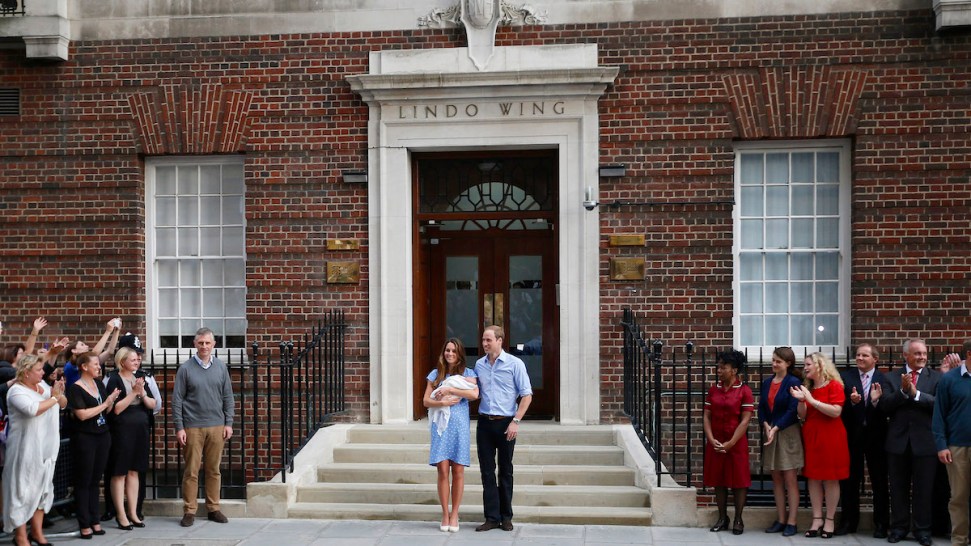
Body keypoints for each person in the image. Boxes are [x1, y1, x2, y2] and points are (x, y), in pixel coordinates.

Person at [873, 338, 940, 546]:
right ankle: (899, 528)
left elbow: (938, 405)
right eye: (917, 353)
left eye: (924, 353)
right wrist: (903, 392)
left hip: (925, 442)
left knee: (924, 489)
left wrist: (916, 394)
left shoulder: (936, 378)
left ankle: (922, 530)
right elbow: (884, 406)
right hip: (897, 442)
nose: (922, 357)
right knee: (898, 488)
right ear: (905, 355)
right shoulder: (891, 378)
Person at [2, 351, 68, 546]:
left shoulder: (42, 386)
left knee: (43, 490)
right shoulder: (16, 391)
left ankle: (37, 533)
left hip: (46, 447)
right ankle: (21, 536)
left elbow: (62, 404)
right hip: (25, 449)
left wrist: (60, 394)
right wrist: (55, 398)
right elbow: (33, 409)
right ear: (26, 372)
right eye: (38, 370)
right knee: (22, 492)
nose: (42, 373)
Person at [173, 327, 235, 527]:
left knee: (213, 470)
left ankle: (213, 508)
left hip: (217, 426)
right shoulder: (185, 369)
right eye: (201, 343)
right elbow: (177, 400)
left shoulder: (221, 367)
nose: (204, 346)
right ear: (195, 344)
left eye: (208, 343)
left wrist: (229, 422)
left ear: (214, 344)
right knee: (191, 471)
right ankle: (189, 511)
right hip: (192, 427)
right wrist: (180, 427)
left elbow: (228, 397)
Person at [474, 325, 532, 533]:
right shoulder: (479, 365)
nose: (484, 343)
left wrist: (516, 421)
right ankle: (491, 517)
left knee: (506, 471)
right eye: (483, 340)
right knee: (487, 472)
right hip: (484, 424)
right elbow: (475, 392)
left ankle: (506, 517)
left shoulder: (515, 364)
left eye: (488, 340)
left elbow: (526, 395)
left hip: (507, 422)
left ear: (500, 340)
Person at [423, 338, 478, 532]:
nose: (450, 354)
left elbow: (474, 395)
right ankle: (444, 514)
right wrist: (442, 403)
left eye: (454, 351)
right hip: (441, 426)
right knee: (443, 470)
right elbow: (426, 401)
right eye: (448, 350)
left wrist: (450, 389)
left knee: (458, 471)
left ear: (460, 354)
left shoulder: (469, 373)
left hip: (460, 426)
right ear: (443, 352)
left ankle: (455, 514)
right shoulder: (436, 374)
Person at [791, 352, 848, 539]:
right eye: (804, 364)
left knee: (831, 478)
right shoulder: (808, 387)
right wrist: (801, 401)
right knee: (813, 477)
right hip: (812, 436)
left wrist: (812, 400)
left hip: (831, 436)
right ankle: (817, 518)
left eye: (808, 364)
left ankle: (829, 519)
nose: (805, 367)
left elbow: (835, 412)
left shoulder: (835, 386)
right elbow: (802, 415)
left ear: (820, 365)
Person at [836, 343, 890, 538]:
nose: (859, 358)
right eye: (858, 355)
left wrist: (875, 401)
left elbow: (889, 408)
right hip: (853, 436)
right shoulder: (846, 377)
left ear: (875, 359)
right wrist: (852, 402)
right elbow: (839, 408)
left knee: (879, 481)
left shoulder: (884, 379)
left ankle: (881, 524)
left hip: (877, 437)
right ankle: (849, 522)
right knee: (850, 481)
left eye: (864, 355)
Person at [67, 351, 121, 539]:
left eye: (99, 364)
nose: (99, 367)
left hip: (102, 435)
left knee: (96, 479)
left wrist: (111, 401)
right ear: (84, 367)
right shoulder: (75, 388)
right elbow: (81, 415)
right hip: (85, 437)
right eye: (96, 364)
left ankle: (95, 519)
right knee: (84, 480)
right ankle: (84, 523)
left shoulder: (98, 384)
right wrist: (105, 403)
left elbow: (107, 409)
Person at [703, 349, 754, 535]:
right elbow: (706, 416)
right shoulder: (713, 390)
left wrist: (731, 442)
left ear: (734, 370)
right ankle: (722, 517)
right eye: (718, 367)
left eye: (723, 367)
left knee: (739, 481)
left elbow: (745, 420)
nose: (719, 370)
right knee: (719, 480)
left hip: (736, 443)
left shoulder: (744, 391)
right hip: (716, 441)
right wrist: (711, 438)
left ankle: (739, 519)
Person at [105, 346, 156, 530]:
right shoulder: (114, 379)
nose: (137, 362)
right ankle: (120, 514)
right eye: (133, 359)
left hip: (140, 429)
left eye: (138, 359)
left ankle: (133, 512)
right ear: (122, 361)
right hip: (122, 430)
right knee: (120, 472)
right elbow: (116, 409)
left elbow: (152, 403)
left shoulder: (140, 378)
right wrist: (133, 392)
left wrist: (141, 392)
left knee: (135, 471)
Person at [757, 346, 803, 537]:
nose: (774, 364)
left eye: (778, 361)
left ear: (788, 363)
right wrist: (766, 425)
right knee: (776, 478)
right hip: (771, 433)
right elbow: (761, 408)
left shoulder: (794, 382)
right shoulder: (767, 382)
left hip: (787, 433)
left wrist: (776, 427)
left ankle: (792, 521)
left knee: (790, 478)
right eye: (773, 360)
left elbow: (793, 411)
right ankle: (781, 519)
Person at [933, 340, 971, 546]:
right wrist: (941, 444)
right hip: (957, 447)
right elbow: (939, 414)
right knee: (958, 497)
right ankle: (959, 540)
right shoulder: (949, 380)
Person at [62, 318, 122, 388]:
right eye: (82, 345)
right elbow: (95, 353)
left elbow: (109, 351)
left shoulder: (88, 361)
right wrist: (108, 331)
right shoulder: (70, 366)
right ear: (74, 350)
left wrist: (116, 331)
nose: (86, 346)